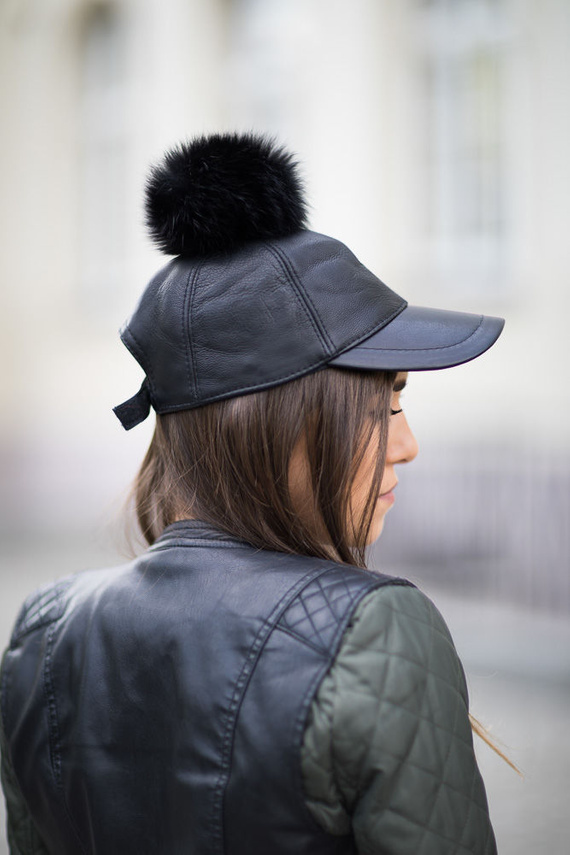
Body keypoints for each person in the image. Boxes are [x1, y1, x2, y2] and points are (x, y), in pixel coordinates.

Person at [0, 133, 504, 854]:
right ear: (284, 421)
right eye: (384, 404)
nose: (407, 442)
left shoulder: (40, 636)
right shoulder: (374, 633)